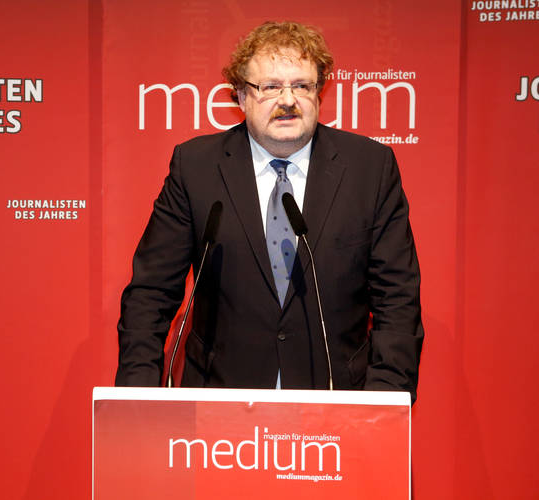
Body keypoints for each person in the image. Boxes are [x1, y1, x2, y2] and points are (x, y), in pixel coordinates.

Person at [115, 21, 424, 401]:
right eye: (271, 87)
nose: (288, 100)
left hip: (337, 401)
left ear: (319, 92)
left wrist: (384, 403)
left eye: (301, 86)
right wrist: (136, 400)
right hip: (218, 402)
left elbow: (397, 298)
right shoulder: (196, 167)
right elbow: (151, 294)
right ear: (241, 96)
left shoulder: (370, 168)